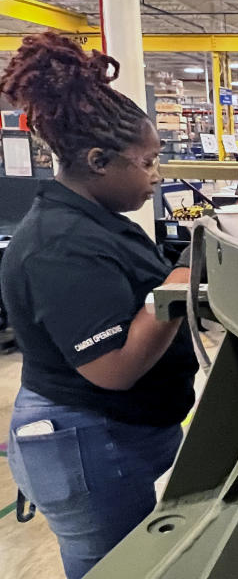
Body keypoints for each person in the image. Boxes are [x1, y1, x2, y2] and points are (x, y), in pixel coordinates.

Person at [0, 32, 198, 578]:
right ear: (99, 160)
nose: (156, 177)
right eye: (148, 162)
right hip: (88, 441)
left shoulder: (94, 224)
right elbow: (114, 367)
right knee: (111, 569)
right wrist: (181, 281)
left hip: (116, 435)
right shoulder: (59, 246)